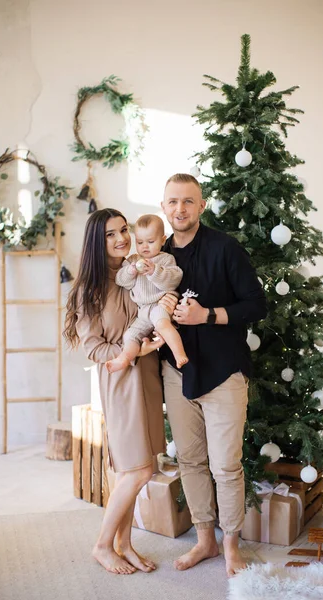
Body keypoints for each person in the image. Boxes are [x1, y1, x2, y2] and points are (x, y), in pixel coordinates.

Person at [160, 173, 267, 577]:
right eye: (173, 202)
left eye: (188, 202)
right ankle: (204, 541)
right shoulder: (157, 255)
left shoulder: (226, 248)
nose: (180, 209)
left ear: (201, 206)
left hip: (223, 371)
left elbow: (257, 305)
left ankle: (231, 546)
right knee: (190, 460)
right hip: (176, 372)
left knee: (226, 466)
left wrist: (208, 315)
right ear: (164, 206)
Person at [64, 208, 176, 575]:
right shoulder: (89, 289)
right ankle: (102, 546)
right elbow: (93, 348)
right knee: (137, 469)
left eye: (123, 230)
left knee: (140, 465)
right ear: (97, 242)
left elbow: (158, 301)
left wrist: (167, 305)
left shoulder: (136, 268)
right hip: (119, 379)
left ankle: (124, 544)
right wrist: (132, 352)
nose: (121, 238)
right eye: (111, 234)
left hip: (146, 374)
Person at [105, 214, 188, 373]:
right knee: (130, 335)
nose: (145, 247)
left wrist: (154, 271)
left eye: (150, 242)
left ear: (163, 240)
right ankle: (124, 358)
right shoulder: (132, 260)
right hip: (143, 311)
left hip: (159, 305)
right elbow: (122, 281)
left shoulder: (166, 260)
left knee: (163, 325)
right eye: (140, 242)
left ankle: (179, 354)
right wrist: (131, 271)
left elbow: (173, 280)